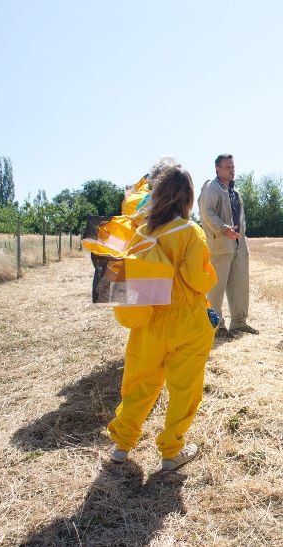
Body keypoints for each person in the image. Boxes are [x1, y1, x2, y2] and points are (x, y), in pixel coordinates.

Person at [107, 166, 217, 472]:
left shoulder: (140, 233)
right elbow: (199, 279)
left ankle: (121, 445)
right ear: (187, 197)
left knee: (140, 383)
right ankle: (171, 451)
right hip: (187, 321)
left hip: (148, 320)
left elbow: (125, 280)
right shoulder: (189, 231)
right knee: (184, 389)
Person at [198, 154, 257, 338]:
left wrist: (242, 242)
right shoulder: (211, 187)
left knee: (240, 285)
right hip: (220, 245)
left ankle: (239, 323)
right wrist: (224, 229)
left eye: (233, 167)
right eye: (228, 167)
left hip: (238, 246)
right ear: (217, 169)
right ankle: (215, 326)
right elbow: (206, 213)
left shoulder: (235, 192)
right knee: (216, 287)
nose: (232, 170)